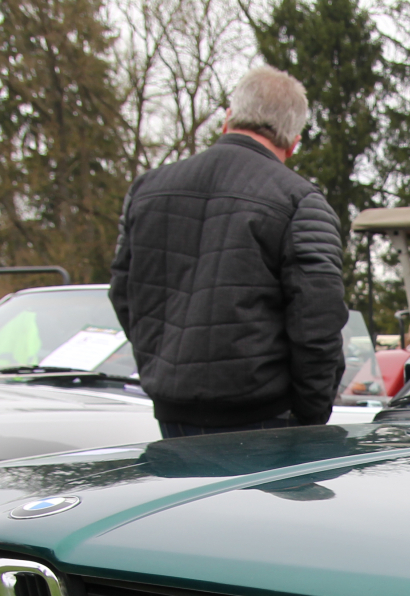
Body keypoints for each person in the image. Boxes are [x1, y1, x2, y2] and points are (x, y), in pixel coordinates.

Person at [110, 66, 347, 438]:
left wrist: (161, 363)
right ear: (294, 142)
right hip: (266, 418)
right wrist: (311, 416)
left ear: (227, 119)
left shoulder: (147, 190)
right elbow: (317, 322)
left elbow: (124, 293)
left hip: (173, 412)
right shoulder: (300, 201)